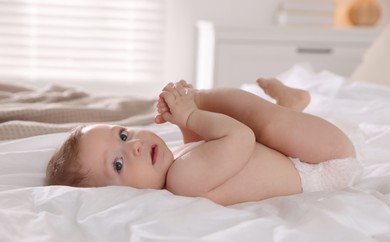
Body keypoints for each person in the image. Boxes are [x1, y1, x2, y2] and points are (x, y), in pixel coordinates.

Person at [46, 78, 359, 206]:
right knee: (265, 124)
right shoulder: (183, 181)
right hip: (325, 165)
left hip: (296, 155)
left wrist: (186, 124)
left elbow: (202, 146)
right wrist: (192, 111)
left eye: (124, 136)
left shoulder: (176, 166)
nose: (134, 147)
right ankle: (286, 109)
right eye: (118, 163)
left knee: (271, 127)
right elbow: (240, 137)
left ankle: (291, 108)